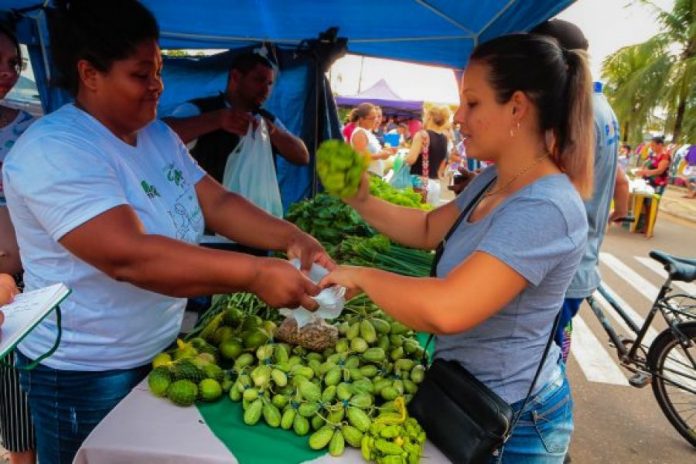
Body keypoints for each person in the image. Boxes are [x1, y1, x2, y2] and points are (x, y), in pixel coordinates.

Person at [2, 2, 331, 463]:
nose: (157, 85)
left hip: (160, 349)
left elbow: (217, 202)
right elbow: (129, 256)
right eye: (141, 74)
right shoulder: (55, 148)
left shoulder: (156, 135)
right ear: (89, 74)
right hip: (85, 370)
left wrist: (291, 237)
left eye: (158, 70)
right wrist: (256, 274)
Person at [321, 32, 593, 462]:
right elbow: (429, 227)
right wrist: (361, 199)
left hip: (513, 423)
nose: (459, 117)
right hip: (465, 395)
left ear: (517, 107)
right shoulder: (493, 179)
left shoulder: (547, 206)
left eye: (472, 103)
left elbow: (449, 309)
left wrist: (363, 276)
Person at [530, 19, 630, 366]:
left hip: (561, 267)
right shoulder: (602, 107)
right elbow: (619, 180)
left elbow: (554, 195)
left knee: (540, 365)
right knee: (552, 351)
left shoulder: (578, 114)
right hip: (581, 259)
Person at [164, 51, 309, 219]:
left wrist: (272, 132)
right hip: (205, 219)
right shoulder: (200, 109)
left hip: (255, 219)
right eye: (259, 80)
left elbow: (302, 156)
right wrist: (217, 120)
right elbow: (162, 135)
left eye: (270, 84)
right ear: (235, 76)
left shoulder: (266, 120)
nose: (266, 90)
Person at [0, 23, 36, 464]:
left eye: (13, 62)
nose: (7, 72)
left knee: (20, 388)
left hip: (29, 285)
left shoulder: (32, 131)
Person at [404, 105, 452, 205]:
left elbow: (410, 160)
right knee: (428, 212)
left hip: (420, 184)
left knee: (414, 212)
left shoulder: (422, 135)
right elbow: (443, 164)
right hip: (435, 184)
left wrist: (404, 157)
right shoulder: (444, 138)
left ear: (429, 116)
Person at [349, 103, 393, 176]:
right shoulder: (360, 133)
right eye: (372, 118)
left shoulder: (367, 132)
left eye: (376, 117)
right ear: (361, 119)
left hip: (372, 175)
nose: (375, 120)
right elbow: (360, 157)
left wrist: (383, 152)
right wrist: (380, 155)